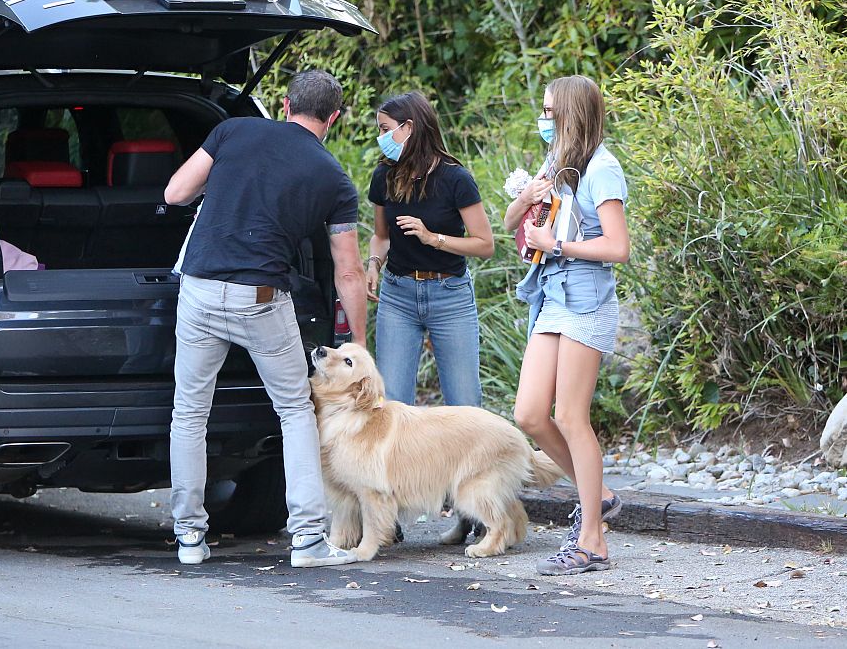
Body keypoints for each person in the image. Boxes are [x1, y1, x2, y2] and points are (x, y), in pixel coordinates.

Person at [164, 70, 367, 568]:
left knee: (189, 414)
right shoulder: (334, 178)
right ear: (333, 118)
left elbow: (175, 193)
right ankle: (307, 541)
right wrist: (355, 343)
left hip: (200, 289)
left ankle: (189, 537)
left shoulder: (234, 130)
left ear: (284, 102)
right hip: (260, 299)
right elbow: (349, 272)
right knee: (295, 411)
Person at [505, 75, 629, 575]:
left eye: (550, 111)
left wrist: (558, 244)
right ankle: (598, 494)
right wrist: (528, 200)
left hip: (586, 300)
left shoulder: (602, 169)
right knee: (530, 414)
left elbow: (617, 248)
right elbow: (513, 220)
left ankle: (592, 540)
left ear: (572, 114)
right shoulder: (557, 164)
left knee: (571, 416)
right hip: (552, 295)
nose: (544, 119)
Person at [365, 91, 494, 409]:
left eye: (385, 128)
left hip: (449, 294)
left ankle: (468, 461)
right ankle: (401, 461)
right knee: (391, 404)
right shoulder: (385, 175)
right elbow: (381, 236)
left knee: (465, 403)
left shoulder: (455, 178)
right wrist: (372, 265)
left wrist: (432, 237)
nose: (381, 137)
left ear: (408, 128)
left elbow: (485, 244)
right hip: (397, 295)